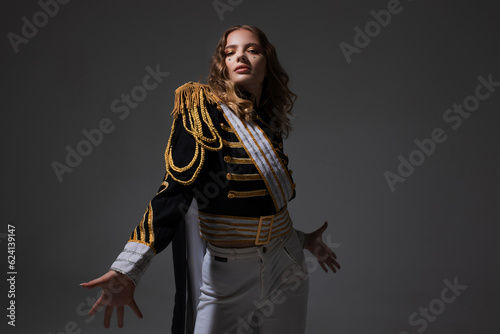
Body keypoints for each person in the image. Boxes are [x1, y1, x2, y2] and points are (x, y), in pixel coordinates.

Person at [81, 25, 341, 334]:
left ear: (267, 62)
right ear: (223, 65)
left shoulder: (268, 122)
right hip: (227, 273)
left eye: (252, 50)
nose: (240, 56)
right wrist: (128, 269)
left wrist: (301, 240)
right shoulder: (202, 111)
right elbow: (174, 195)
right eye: (230, 52)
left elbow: (261, 206)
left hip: (286, 264)